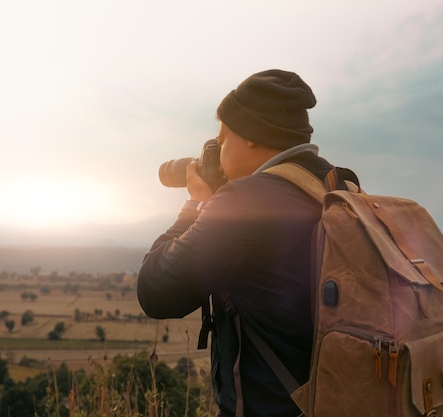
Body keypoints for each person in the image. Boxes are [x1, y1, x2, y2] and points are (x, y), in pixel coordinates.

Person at [137, 69, 335, 417]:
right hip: (339, 401)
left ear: (251, 138)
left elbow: (155, 291)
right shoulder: (335, 188)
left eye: (222, 138)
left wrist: (196, 205)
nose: (218, 149)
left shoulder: (245, 202)